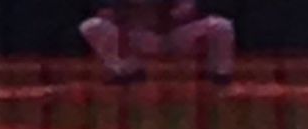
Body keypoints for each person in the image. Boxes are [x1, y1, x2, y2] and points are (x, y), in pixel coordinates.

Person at [80, 1, 236, 82]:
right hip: (137, 38)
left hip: (172, 37)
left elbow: (187, 10)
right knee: (91, 26)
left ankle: (220, 75)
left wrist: (174, 13)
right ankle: (127, 70)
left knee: (220, 25)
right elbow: (106, 15)